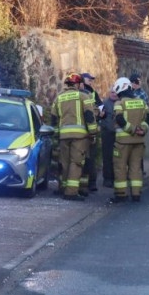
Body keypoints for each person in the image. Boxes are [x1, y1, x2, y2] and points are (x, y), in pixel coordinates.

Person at [53, 72, 98, 201]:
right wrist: (93, 133)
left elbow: (54, 118)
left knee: (65, 162)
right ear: (78, 84)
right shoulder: (83, 96)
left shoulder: (58, 98)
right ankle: (71, 192)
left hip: (63, 136)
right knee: (76, 162)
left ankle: (64, 187)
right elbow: (89, 116)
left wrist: (56, 135)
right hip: (79, 137)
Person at [109, 76, 149, 203]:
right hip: (139, 141)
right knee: (136, 167)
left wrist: (132, 129)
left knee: (120, 167)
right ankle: (136, 194)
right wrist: (142, 129)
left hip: (122, 142)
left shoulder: (119, 103)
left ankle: (121, 194)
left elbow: (119, 119)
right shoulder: (141, 102)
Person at [80, 72, 101, 193]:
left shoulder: (92, 93)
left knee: (90, 158)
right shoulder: (81, 94)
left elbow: (99, 106)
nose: (91, 81)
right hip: (85, 131)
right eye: (89, 79)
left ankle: (90, 183)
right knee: (84, 159)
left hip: (89, 129)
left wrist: (100, 113)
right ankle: (84, 185)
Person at [99, 82, 119, 188]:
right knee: (107, 157)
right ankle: (107, 179)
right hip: (107, 133)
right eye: (112, 92)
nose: (114, 94)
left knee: (118, 157)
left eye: (116, 93)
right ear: (109, 93)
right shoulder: (104, 103)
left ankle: (117, 177)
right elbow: (100, 116)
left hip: (119, 134)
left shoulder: (121, 102)